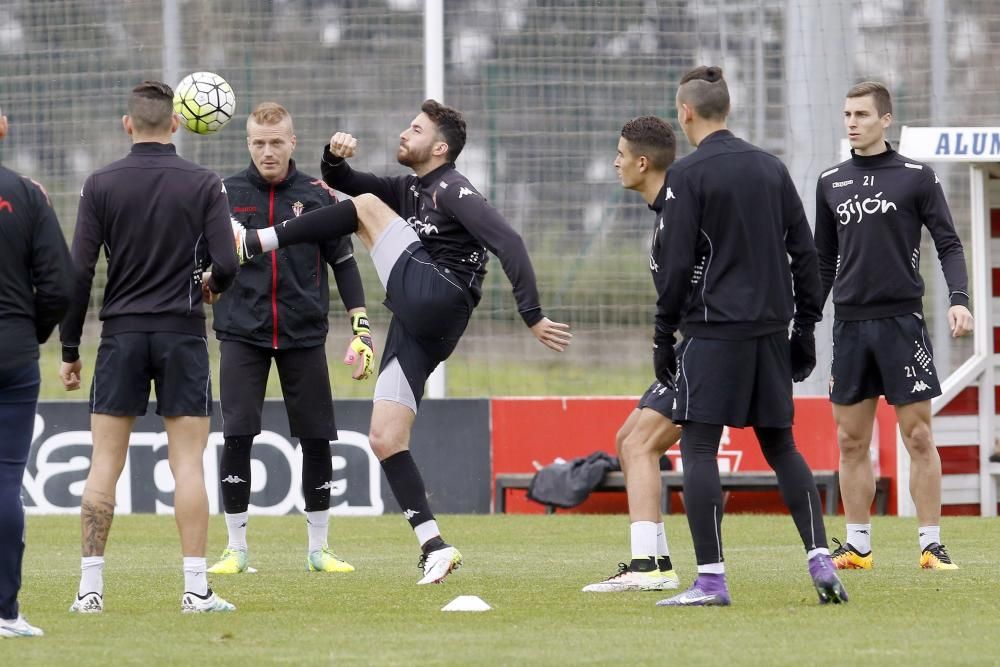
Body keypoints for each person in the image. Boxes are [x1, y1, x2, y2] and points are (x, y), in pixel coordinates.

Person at [232, 99, 572, 584]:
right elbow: (346, 183)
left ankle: (254, 241)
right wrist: (332, 156)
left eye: (414, 130)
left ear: (438, 147)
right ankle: (434, 544)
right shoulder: (408, 188)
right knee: (385, 437)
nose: (403, 135)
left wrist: (532, 314)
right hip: (420, 322)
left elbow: (509, 242)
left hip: (441, 294)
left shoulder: (452, 187)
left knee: (366, 210)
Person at [654, 66, 847, 607]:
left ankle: (711, 581)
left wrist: (661, 336)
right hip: (769, 332)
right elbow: (804, 253)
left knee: (697, 446)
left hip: (712, 335)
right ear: (728, 109)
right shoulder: (771, 168)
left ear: (685, 111)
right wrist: (805, 326)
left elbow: (674, 268)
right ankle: (820, 560)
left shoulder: (687, 177)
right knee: (781, 444)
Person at [59, 81, 239, 613]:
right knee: (187, 465)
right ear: (177, 124)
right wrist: (213, 285)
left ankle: (89, 591)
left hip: (121, 335)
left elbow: (78, 271)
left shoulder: (100, 183)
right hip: (182, 332)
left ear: (127, 123)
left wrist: (70, 347)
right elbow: (227, 263)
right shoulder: (204, 182)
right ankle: (194, 590)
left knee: (103, 464)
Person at [206, 102, 373, 576]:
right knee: (237, 436)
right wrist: (209, 285)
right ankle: (235, 549)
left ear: (292, 142)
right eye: (258, 142)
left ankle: (319, 549)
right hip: (242, 333)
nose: (267, 151)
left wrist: (360, 323)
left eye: (276, 142)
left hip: (303, 334)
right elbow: (212, 260)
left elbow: (343, 262)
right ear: (248, 144)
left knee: (317, 438)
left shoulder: (319, 194)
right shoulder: (225, 193)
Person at [815, 82, 973, 571]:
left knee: (919, 436)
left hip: (902, 324)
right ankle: (858, 546)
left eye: (861, 114)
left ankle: (931, 544)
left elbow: (948, 243)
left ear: (886, 120)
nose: (852, 122)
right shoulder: (830, 182)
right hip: (850, 327)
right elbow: (822, 261)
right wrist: (803, 320)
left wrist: (959, 299)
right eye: (847, 114)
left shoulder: (915, 177)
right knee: (850, 442)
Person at [582, 116, 682, 593]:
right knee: (628, 440)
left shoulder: (680, 210)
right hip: (693, 347)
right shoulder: (665, 211)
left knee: (640, 444)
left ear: (643, 163)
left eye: (620, 154)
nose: (615, 162)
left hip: (710, 347)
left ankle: (648, 568)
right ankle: (655, 561)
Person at [0, 102, 74, 638]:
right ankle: (4, 612)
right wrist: (33, 334)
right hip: (12, 356)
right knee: (4, 480)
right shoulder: (27, 194)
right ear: (3, 128)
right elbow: (60, 286)